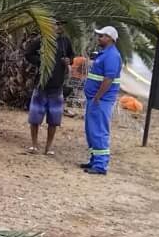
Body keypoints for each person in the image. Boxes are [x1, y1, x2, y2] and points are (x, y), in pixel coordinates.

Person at [24, 27, 75, 155]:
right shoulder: (42, 39)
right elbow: (28, 53)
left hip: (57, 87)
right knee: (35, 117)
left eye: (62, 24)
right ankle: (34, 145)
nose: (59, 27)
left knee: (54, 120)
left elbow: (71, 56)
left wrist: (69, 61)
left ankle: (48, 147)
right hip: (41, 85)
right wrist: (40, 61)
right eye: (57, 24)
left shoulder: (65, 41)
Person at [81, 26, 123, 175]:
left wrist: (98, 96)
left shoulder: (112, 56)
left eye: (102, 36)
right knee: (91, 131)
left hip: (101, 101)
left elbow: (109, 78)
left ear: (110, 38)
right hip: (95, 99)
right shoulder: (104, 54)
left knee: (99, 131)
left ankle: (100, 165)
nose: (99, 38)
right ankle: (94, 159)